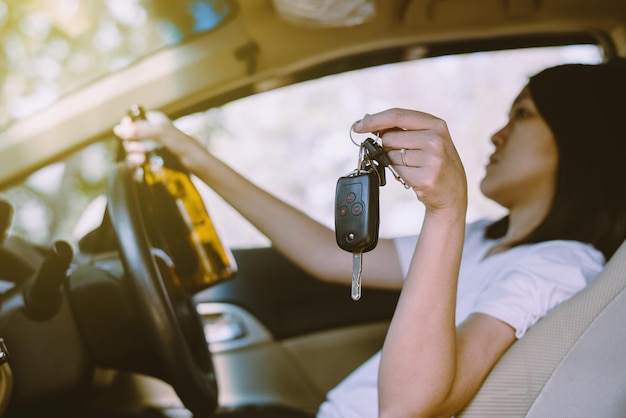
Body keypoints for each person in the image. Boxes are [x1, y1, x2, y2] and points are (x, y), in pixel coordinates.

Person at [114, 59, 626, 417]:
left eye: (522, 115)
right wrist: (192, 155)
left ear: (580, 137)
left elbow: (406, 408)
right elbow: (323, 253)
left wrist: (444, 208)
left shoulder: (560, 264)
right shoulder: (485, 239)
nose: (497, 135)